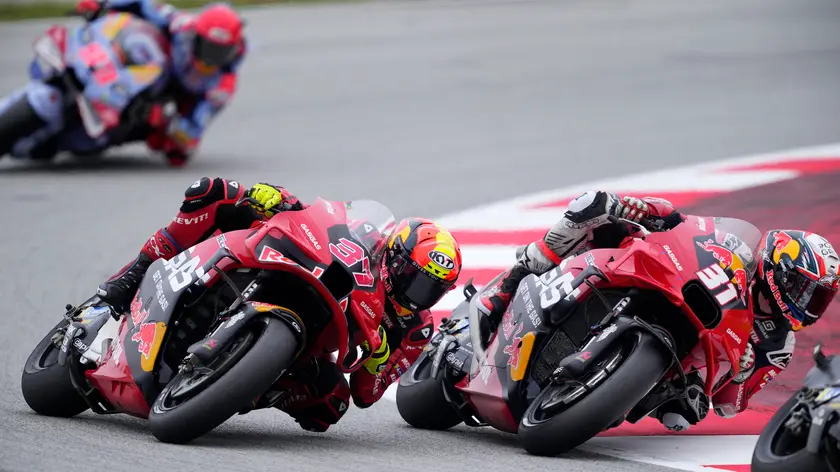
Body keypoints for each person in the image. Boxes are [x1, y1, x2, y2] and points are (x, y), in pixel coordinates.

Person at [95, 177, 463, 432]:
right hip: (291, 265)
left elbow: (368, 393)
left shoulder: (417, 328)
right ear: (394, 254)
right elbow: (325, 218)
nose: (417, 292)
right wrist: (280, 199)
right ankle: (135, 272)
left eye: (430, 289)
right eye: (414, 276)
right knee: (213, 191)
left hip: (318, 332)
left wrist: (380, 357)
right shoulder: (369, 237)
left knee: (329, 406)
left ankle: (238, 385)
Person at [476, 190, 840, 431]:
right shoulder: (739, 249)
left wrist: (742, 377)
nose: (807, 302)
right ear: (779, 265)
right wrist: (648, 212)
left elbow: (731, 406)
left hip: (688, 361)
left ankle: (599, 395)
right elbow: (689, 227)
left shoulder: (779, 344)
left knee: (684, 414)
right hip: (667, 286)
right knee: (600, 216)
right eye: (804, 288)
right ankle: (513, 283)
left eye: (818, 298)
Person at [76, 0, 248, 166]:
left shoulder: (222, 86)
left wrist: (168, 123)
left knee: (176, 154)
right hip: (150, 64)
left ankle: (113, 126)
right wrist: (103, 4)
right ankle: (90, 64)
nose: (210, 60)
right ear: (196, 36)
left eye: (221, 53)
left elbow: (195, 127)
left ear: (233, 50)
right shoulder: (181, 25)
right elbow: (144, 3)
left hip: (172, 100)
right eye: (208, 48)